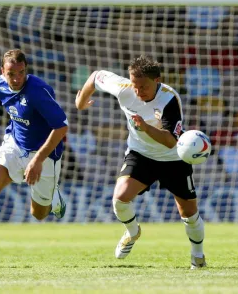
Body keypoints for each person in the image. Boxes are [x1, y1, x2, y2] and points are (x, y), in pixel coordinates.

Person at [75, 55, 206, 269]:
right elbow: (96, 76)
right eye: (135, 85)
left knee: (189, 214)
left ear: (157, 80)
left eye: (143, 86)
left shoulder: (169, 99)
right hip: (141, 154)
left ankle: (198, 256)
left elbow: (170, 142)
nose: (137, 91)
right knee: (120, 198)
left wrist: (145, 127)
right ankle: (132, 232)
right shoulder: (124, 88)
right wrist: (81, 102)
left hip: (172, 159)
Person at [0, 49, 68, 262]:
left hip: (44, 154)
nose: (16, 78)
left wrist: (38, 160)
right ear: (2, 71)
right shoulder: (0, 84)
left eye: (21, 72)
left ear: (26, 70)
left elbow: (61, 128)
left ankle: (54, 197)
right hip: (14, 144)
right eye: (11, 73)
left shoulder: (38, 91)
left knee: (38, 214)